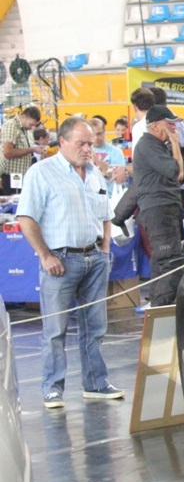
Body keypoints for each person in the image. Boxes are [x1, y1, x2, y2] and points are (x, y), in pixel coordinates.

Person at [15, 117, 124, 408]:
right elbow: (26, 218)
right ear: (62, 142)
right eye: (82, 143)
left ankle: (96, 383)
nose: (88, 149)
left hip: (94, 258)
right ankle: (52, 388)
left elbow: (105, 215)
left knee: (95, 327)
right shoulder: (42, 173)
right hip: (60, 261)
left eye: (90, 143)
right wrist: (45, 256)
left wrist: (103, 249)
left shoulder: (95, 173)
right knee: (55, 329)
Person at [133, 105, 184, 307]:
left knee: (164, 262)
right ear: (157, 125)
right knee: (171, 262)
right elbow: (177, 172)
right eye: (170, 125)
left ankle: (159, 309)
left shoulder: (154, 146)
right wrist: (176, 144)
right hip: (159, 209)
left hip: (165, 208)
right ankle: (161, 307)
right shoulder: (148, 145)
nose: (174, 129)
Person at [0, 106, 45, 194]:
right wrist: (32, 149)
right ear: (23, 117)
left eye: (34, 125)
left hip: (22, 176)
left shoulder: (25, 129)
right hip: (12, 177)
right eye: (31, 124)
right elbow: (8, 153)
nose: (32, 128)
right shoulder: (11, 126)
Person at [88, 117, 127, 192]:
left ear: (104, 132)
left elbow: (119, 176)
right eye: (93, 134)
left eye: (99, 134)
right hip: (90, 195)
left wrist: (98, 161)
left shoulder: (116, 152)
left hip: (110, 196)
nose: (96, 137)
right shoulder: (84, 151)